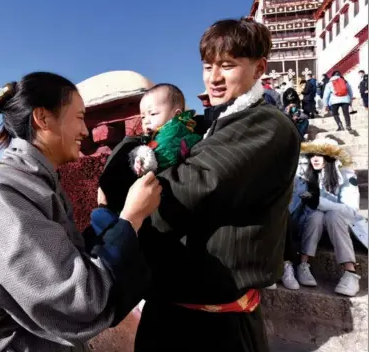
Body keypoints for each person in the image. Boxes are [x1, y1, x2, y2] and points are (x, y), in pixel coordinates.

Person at [100, 18, 301, 352]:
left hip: (214, 328)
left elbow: (181, 193)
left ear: (259, 68)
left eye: (228, 65)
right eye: (208, 66)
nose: (214, 78)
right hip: (174, 312)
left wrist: (125, 203)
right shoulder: (214, 124)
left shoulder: (265, 126)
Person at [0, 72, 162, 352]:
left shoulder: (38, 184)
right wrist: (131, 219)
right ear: (43, 119)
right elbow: (78, 300)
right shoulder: (0, 194)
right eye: (80, 117)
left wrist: (110, 215)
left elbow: (70, 259)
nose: (84, 131)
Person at [289, 138, 368, 297]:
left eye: (321, 155)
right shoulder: (305, 175)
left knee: (333, 214)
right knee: (316, 215)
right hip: (311, 227)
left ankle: (350, 273)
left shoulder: (345, 175)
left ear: (331, 157)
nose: (315, 159)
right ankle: (304, 264)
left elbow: (351, 210)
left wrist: (318, 201)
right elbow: (294, 205)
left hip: (339, 227)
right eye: (312, 155)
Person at [129, 83, 202, 177]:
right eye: (143, 117)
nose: (146, 121)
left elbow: (160, 152)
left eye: (153, 114)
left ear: (176, 115)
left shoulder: (173, 131)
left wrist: (142, 160)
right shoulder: (158, 133)